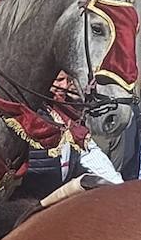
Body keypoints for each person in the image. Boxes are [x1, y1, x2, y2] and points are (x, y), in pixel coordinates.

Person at [21, 71, 124, 203]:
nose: (60, 85)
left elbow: (87, 151)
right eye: (56, 80)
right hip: (27, 201)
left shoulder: (69, 112)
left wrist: (118, 185)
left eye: (63, 80)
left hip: (56, 200)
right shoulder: (26, 115)